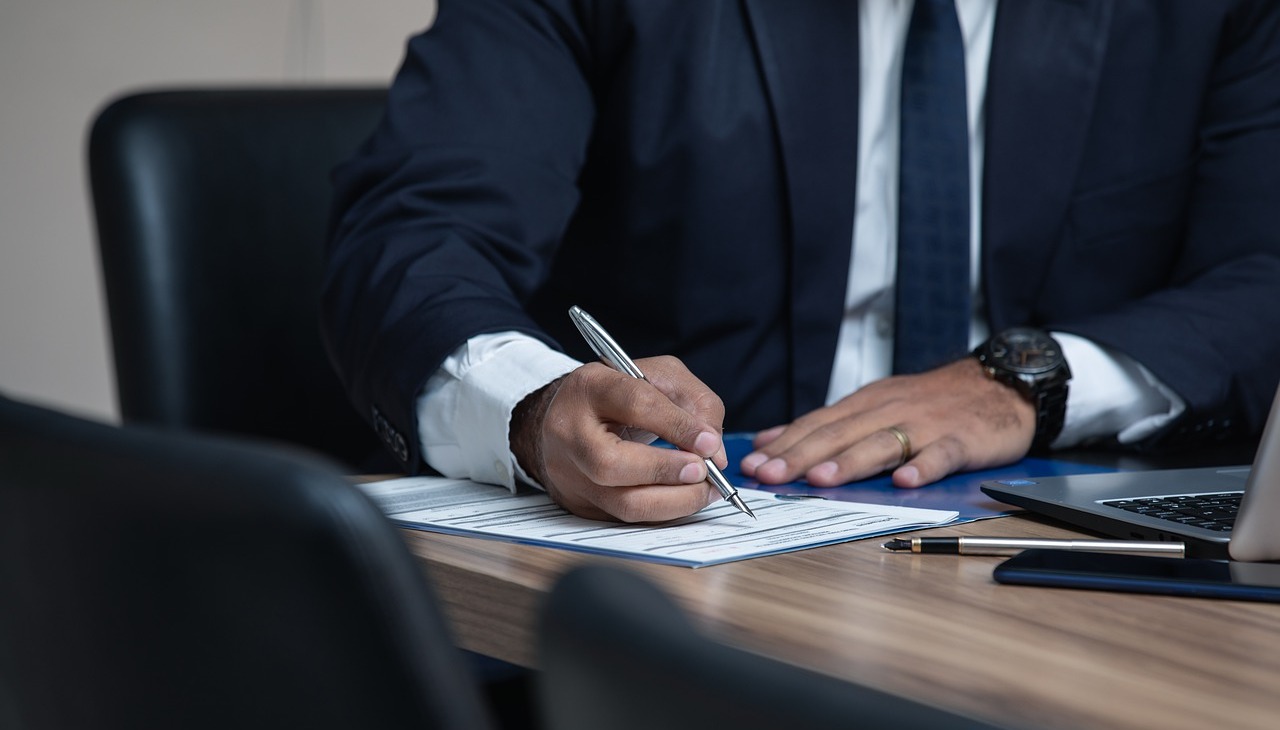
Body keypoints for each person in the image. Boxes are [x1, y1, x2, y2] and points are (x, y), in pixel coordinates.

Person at [322, 0, 1280, 523]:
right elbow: (414, 237)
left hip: (1050, 572)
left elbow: (1264, 276)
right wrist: (535, 411)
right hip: (680, 574)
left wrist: (1031, 381)